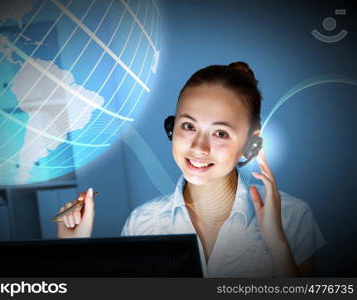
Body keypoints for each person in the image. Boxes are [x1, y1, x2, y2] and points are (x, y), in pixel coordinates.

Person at [57, 62, 326, 277]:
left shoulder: (292, 218)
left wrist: (277, 245)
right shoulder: (142, 224)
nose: (199, 147)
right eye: (188, 126)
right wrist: (74, 253)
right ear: (172, 128)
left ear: (251, 143)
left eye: (220, 132)